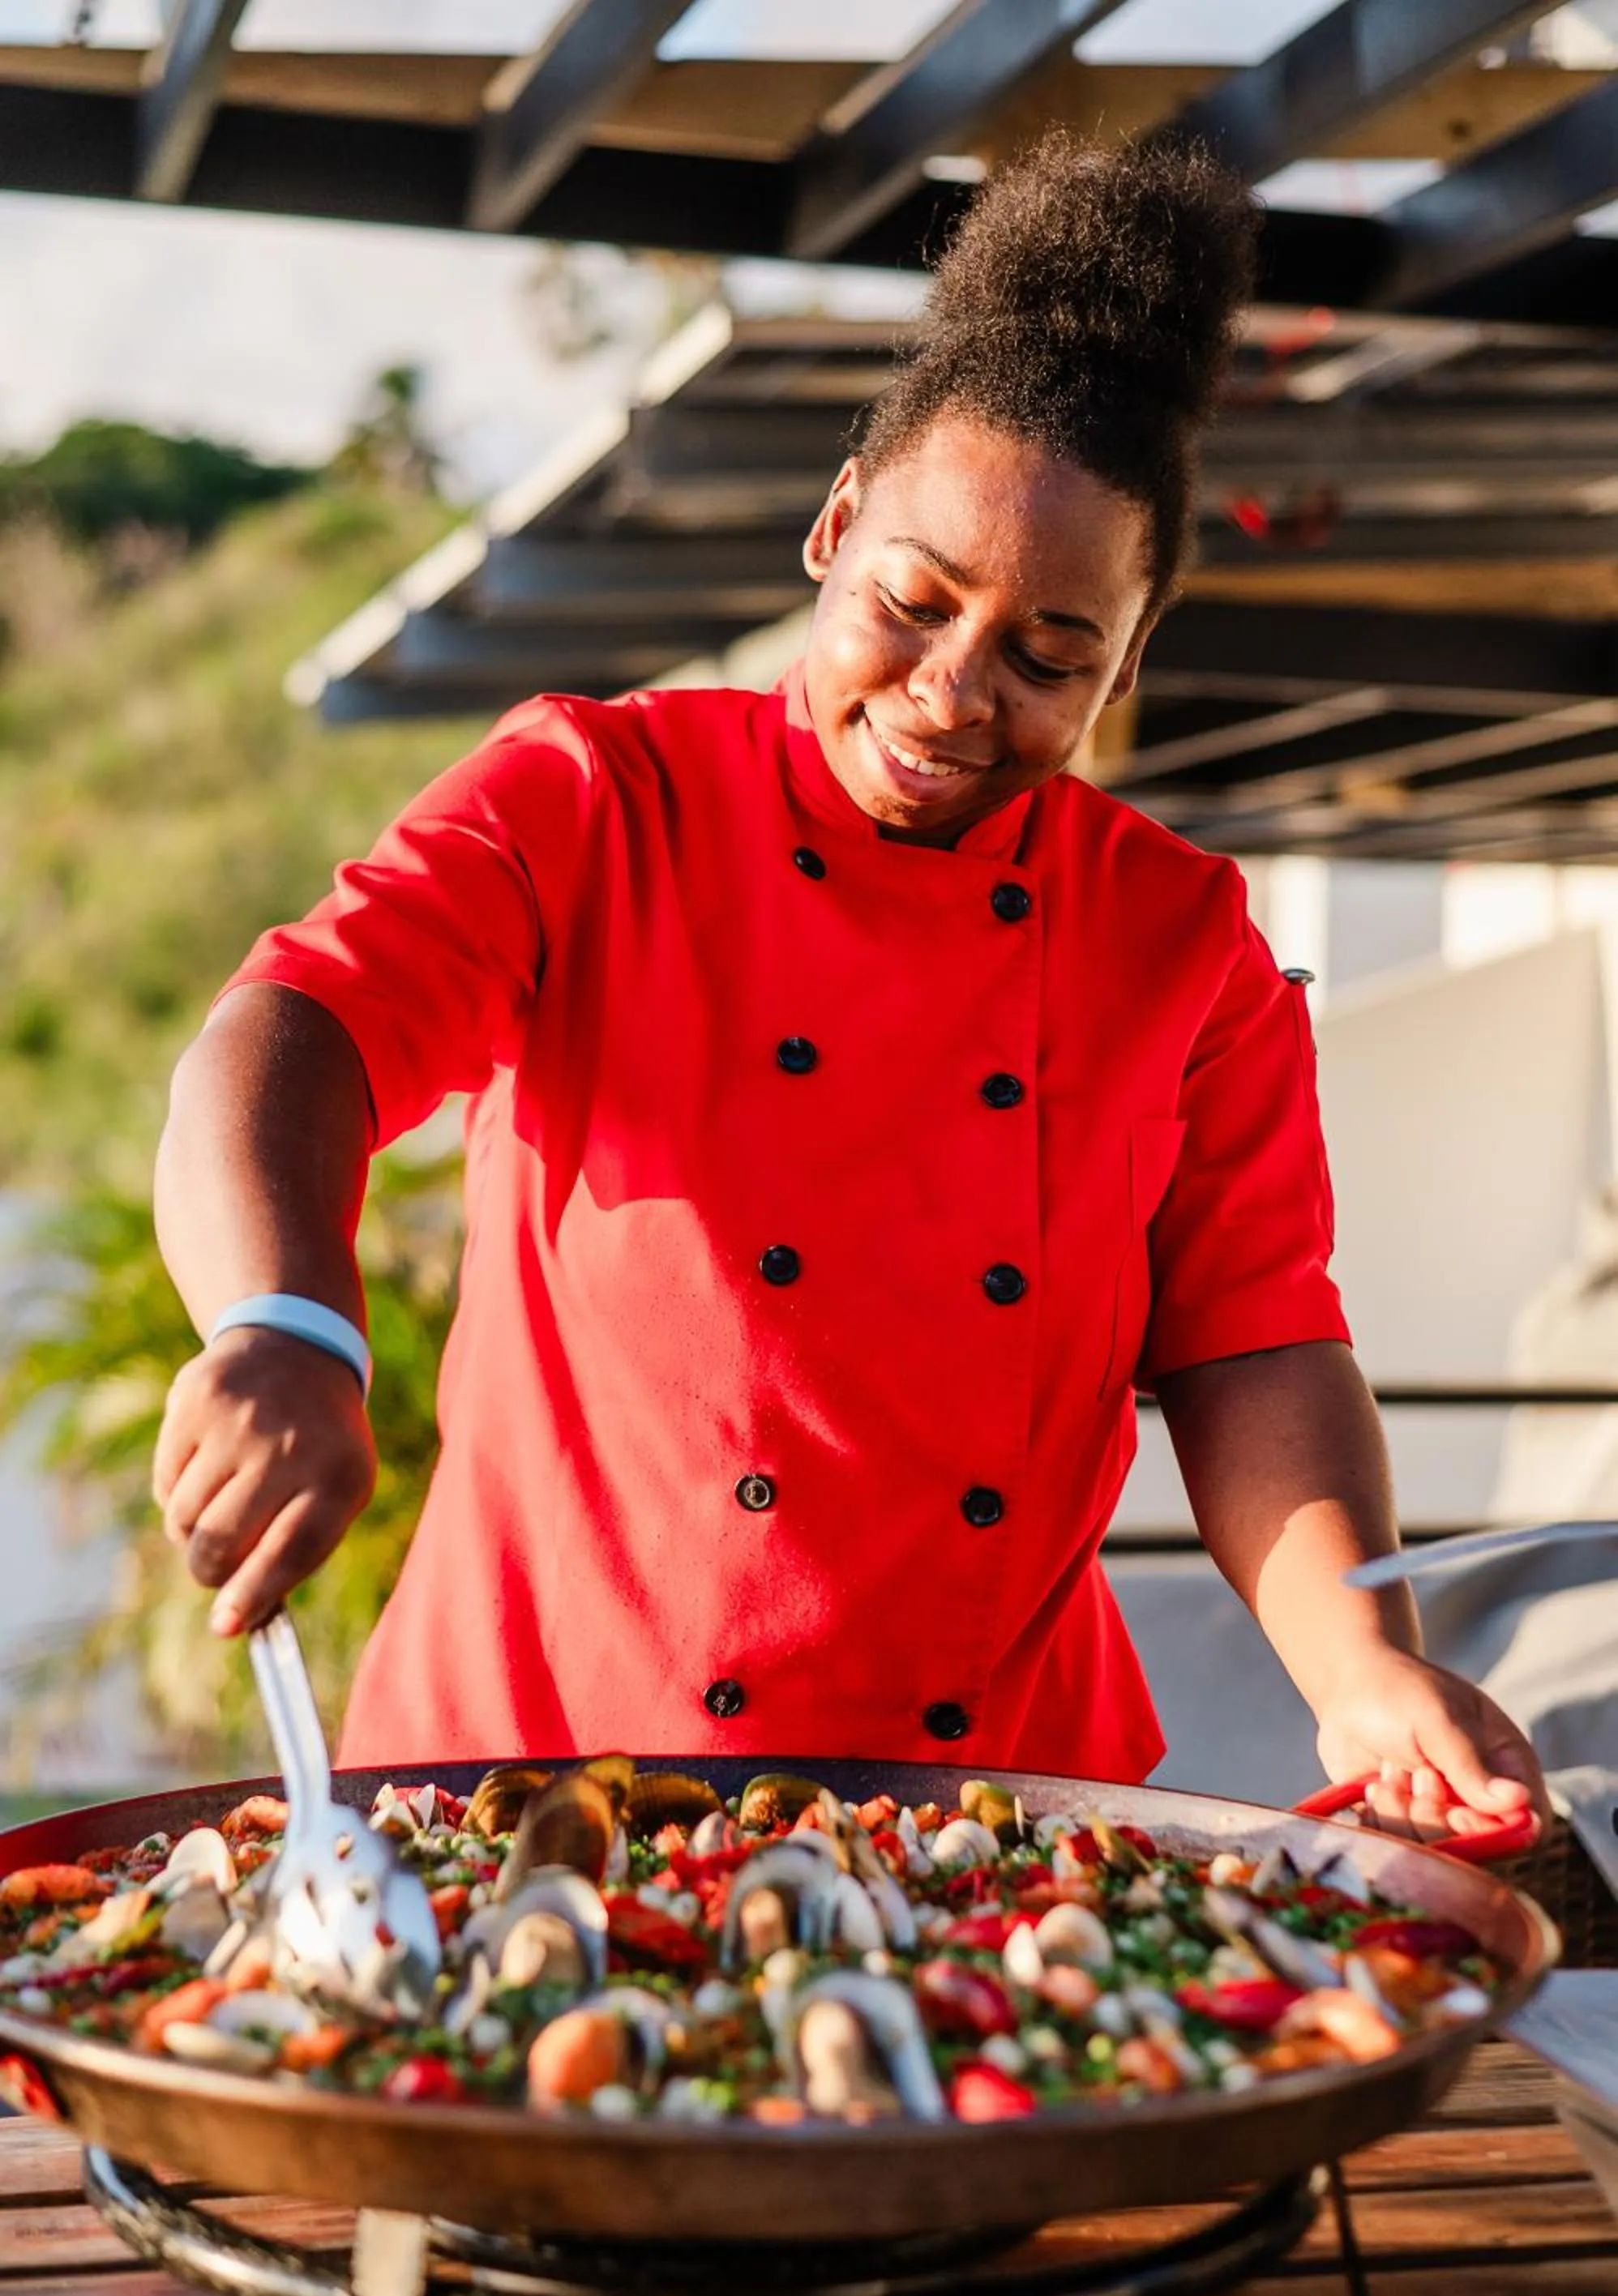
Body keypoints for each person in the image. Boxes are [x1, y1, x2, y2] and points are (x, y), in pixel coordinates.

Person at [152, 134, 1546, 1839]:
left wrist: (1356, 1670)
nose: (955, 695)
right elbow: (300, 1027)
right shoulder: (598, 800)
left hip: (990, 1821)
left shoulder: (1180, 943)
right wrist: (283, 1324)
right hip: (523, 1795)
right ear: (831, 531)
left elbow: (1252, 1339)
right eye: (912, 602)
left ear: (1127, 657)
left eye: (1049, 657)